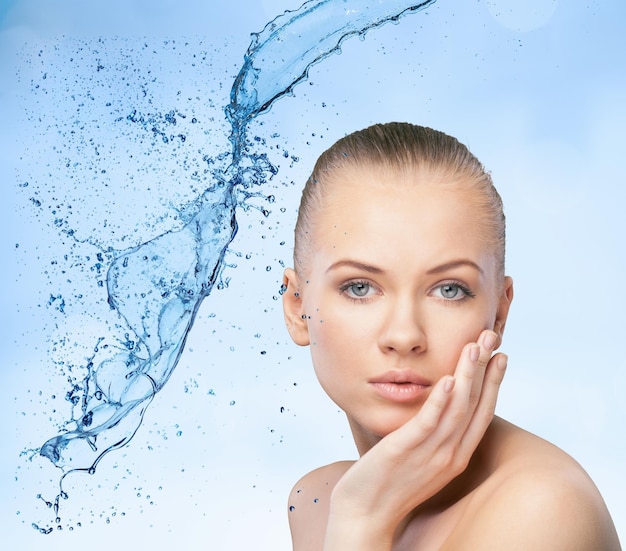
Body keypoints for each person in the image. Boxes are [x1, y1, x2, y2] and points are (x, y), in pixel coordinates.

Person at [281, 122, 621, 550]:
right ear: (297, 308)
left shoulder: (542, 506)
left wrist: (362, 522)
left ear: (499, 313)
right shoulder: (319, 502)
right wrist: (357, 513)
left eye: (449, 290)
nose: (404, 336)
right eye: (360, 287)